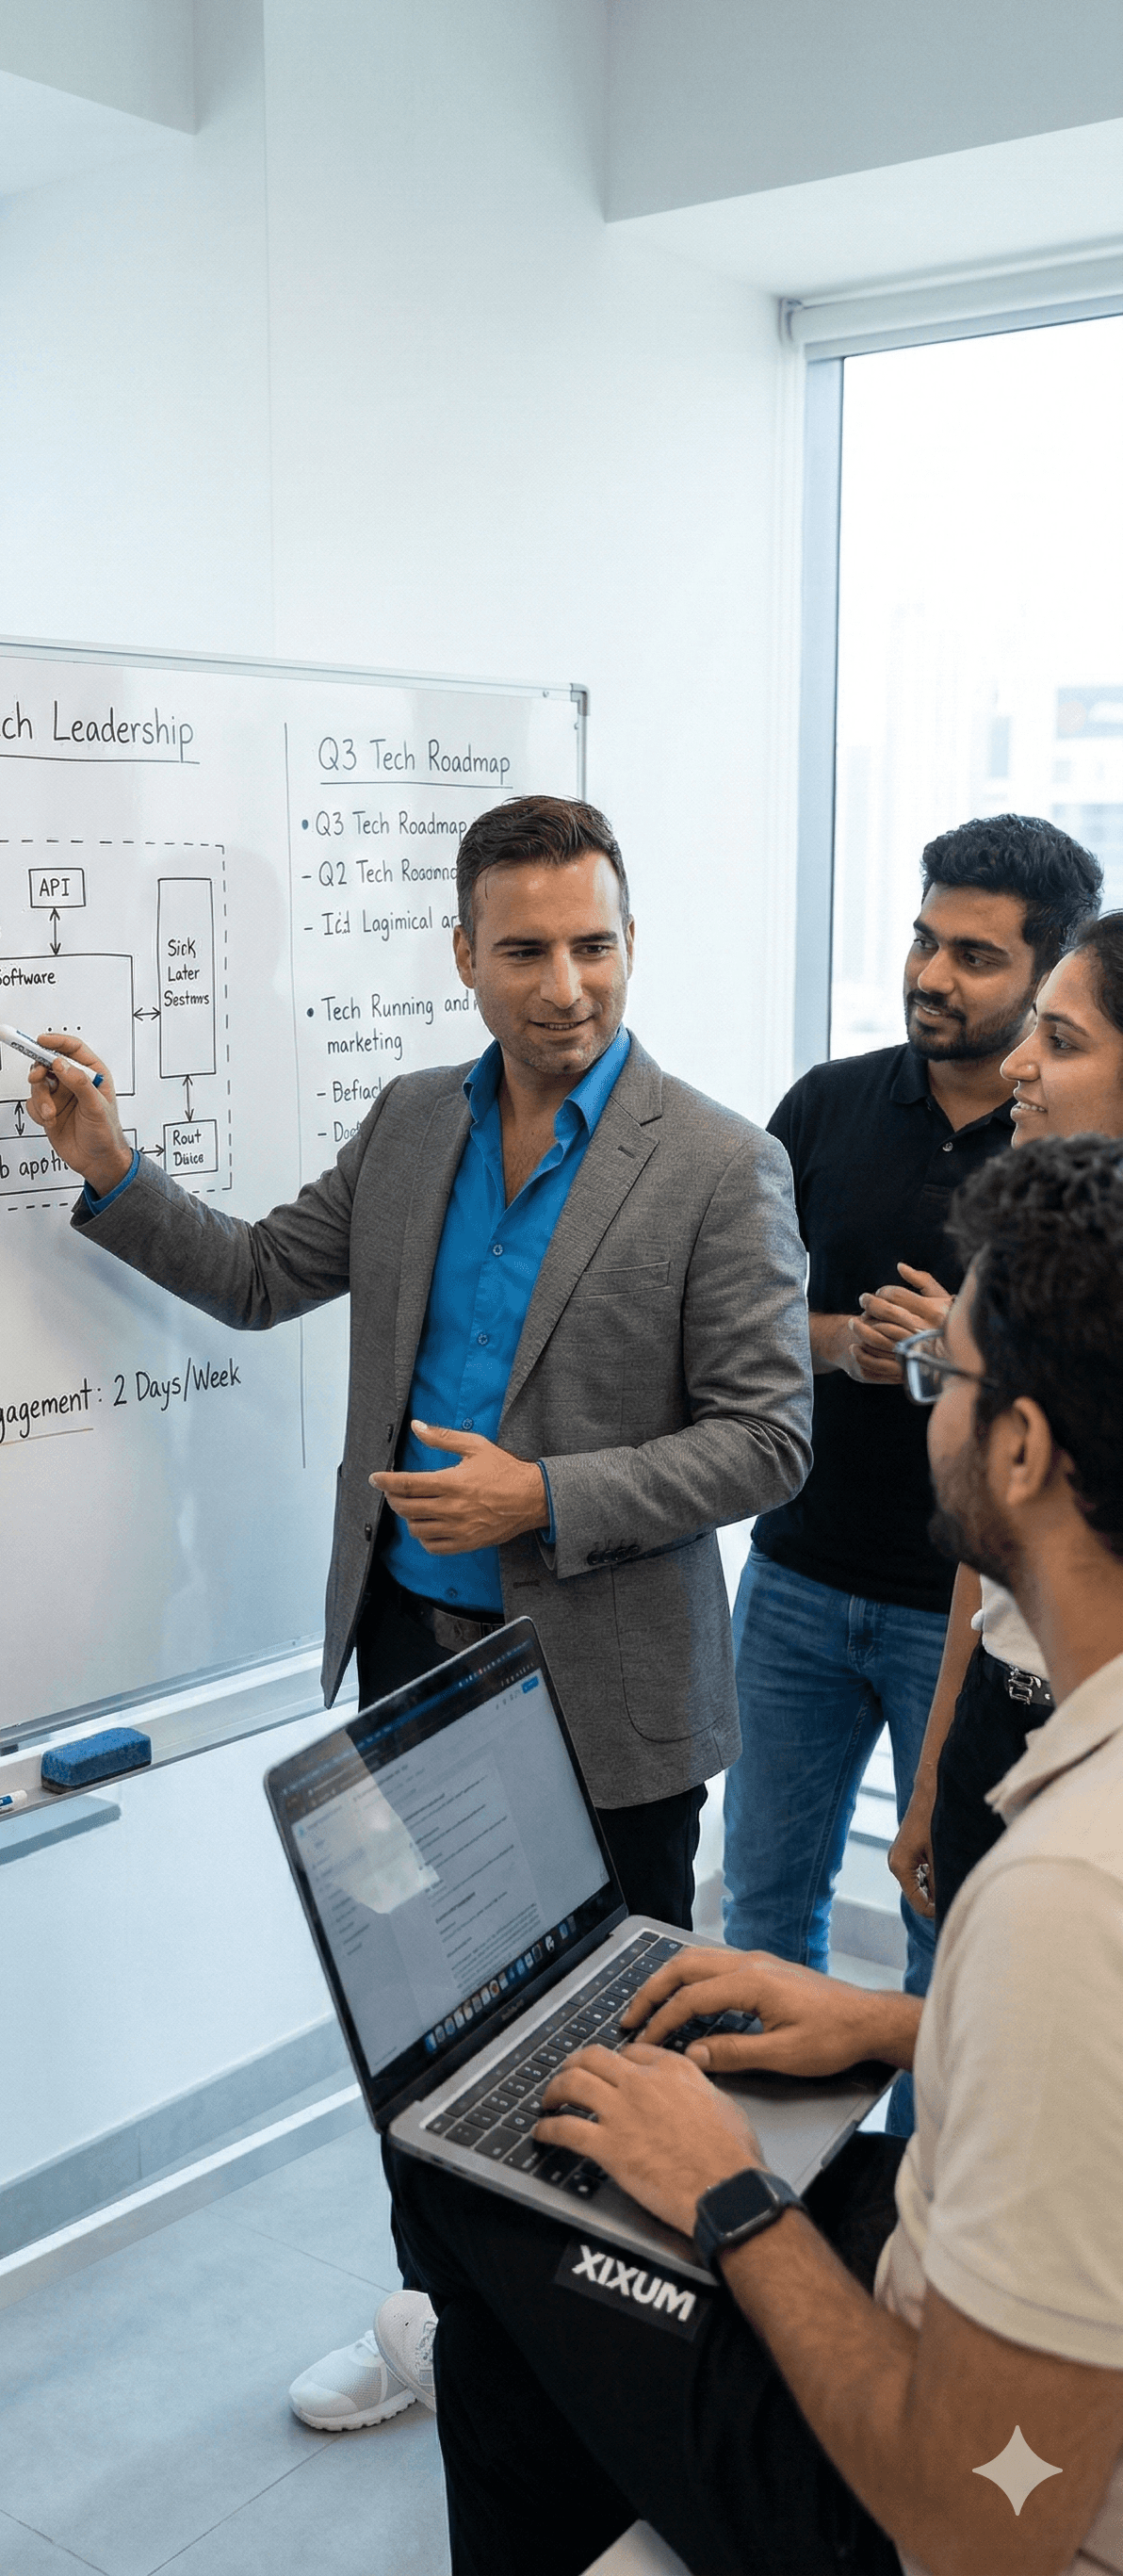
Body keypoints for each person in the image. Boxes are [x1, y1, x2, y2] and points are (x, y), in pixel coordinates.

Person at [23, 793, 812, 2428]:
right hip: (412, 1669)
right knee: (425, 2045)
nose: (564, 982)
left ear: (630, 943)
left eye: (593, 944)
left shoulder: (720, 1163)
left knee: (610, 2058)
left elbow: (771, 1436)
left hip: (609, 1699)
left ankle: (610, 2374)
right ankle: (447, 2326)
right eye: (523, 948)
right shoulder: (407, 1128)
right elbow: (256, 1274)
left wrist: (547, 1497)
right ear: (464, 955)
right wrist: (111, 1169)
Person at [386, 1132, 1123, 2576]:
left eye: (942, 1379)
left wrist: (728, 2195)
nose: (924, 1413)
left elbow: (982, 2526)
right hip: (986, 2321)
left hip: (930, 2507)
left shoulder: (1062, 1895)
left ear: (1023, 1449)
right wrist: (903, 2023)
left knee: (471, 2189)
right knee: (530, 2307)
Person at [722, 812, 1100, 2133]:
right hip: (798, 1582)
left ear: (1046, 975)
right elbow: (732, 1327)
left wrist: (957, 1358)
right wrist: (844, 1346)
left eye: (981, 959)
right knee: (764, 1914)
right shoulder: (825, 1107)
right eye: (925, 940)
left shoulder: (1068, 1167)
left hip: (985, 1619)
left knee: (956, 1950)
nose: (935, 975)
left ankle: (907, 2225)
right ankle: (758, 2202)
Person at [888, 909, 1123, 1929]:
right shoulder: (1016, 1255)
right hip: (1004, 1709)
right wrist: (940, 1763)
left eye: (1062, 1041)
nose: (1020, 1065)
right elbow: (988, 1572)